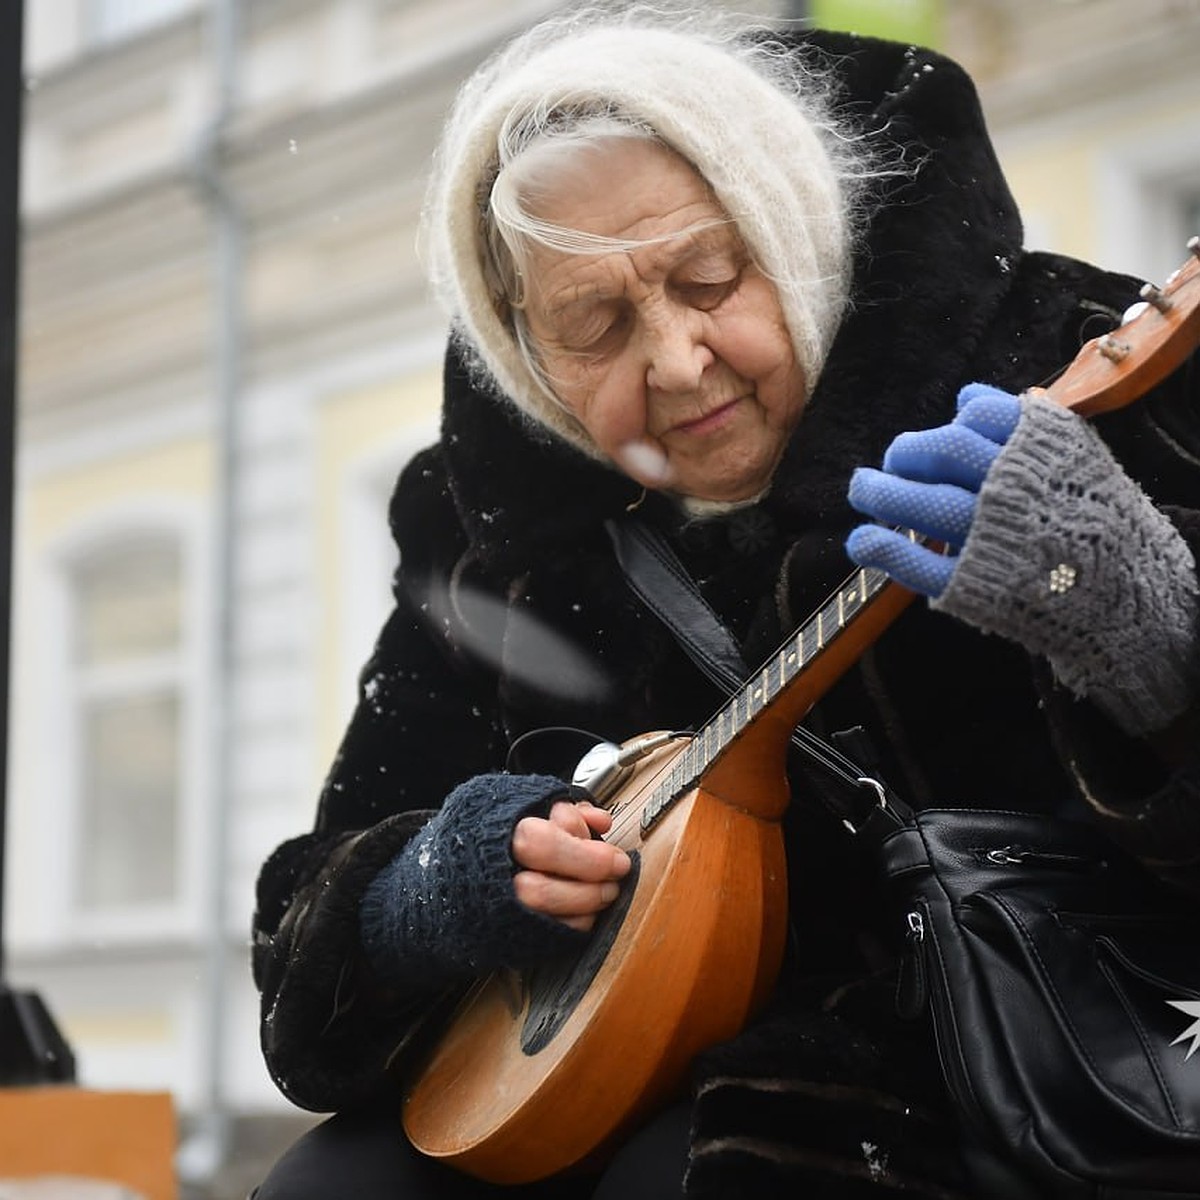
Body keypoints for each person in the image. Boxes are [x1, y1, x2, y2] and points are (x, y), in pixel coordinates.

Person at [250, 5, 1200, 1198]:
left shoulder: (1064, 364)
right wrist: (426, 891)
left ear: (794, 230)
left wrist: (1133, 608)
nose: (679, 361)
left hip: (1042, 1050)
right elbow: (311, 920)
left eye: (709, 276)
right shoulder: (495, 539)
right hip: (606, 1054)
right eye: (593, 329)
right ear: (528, 358)